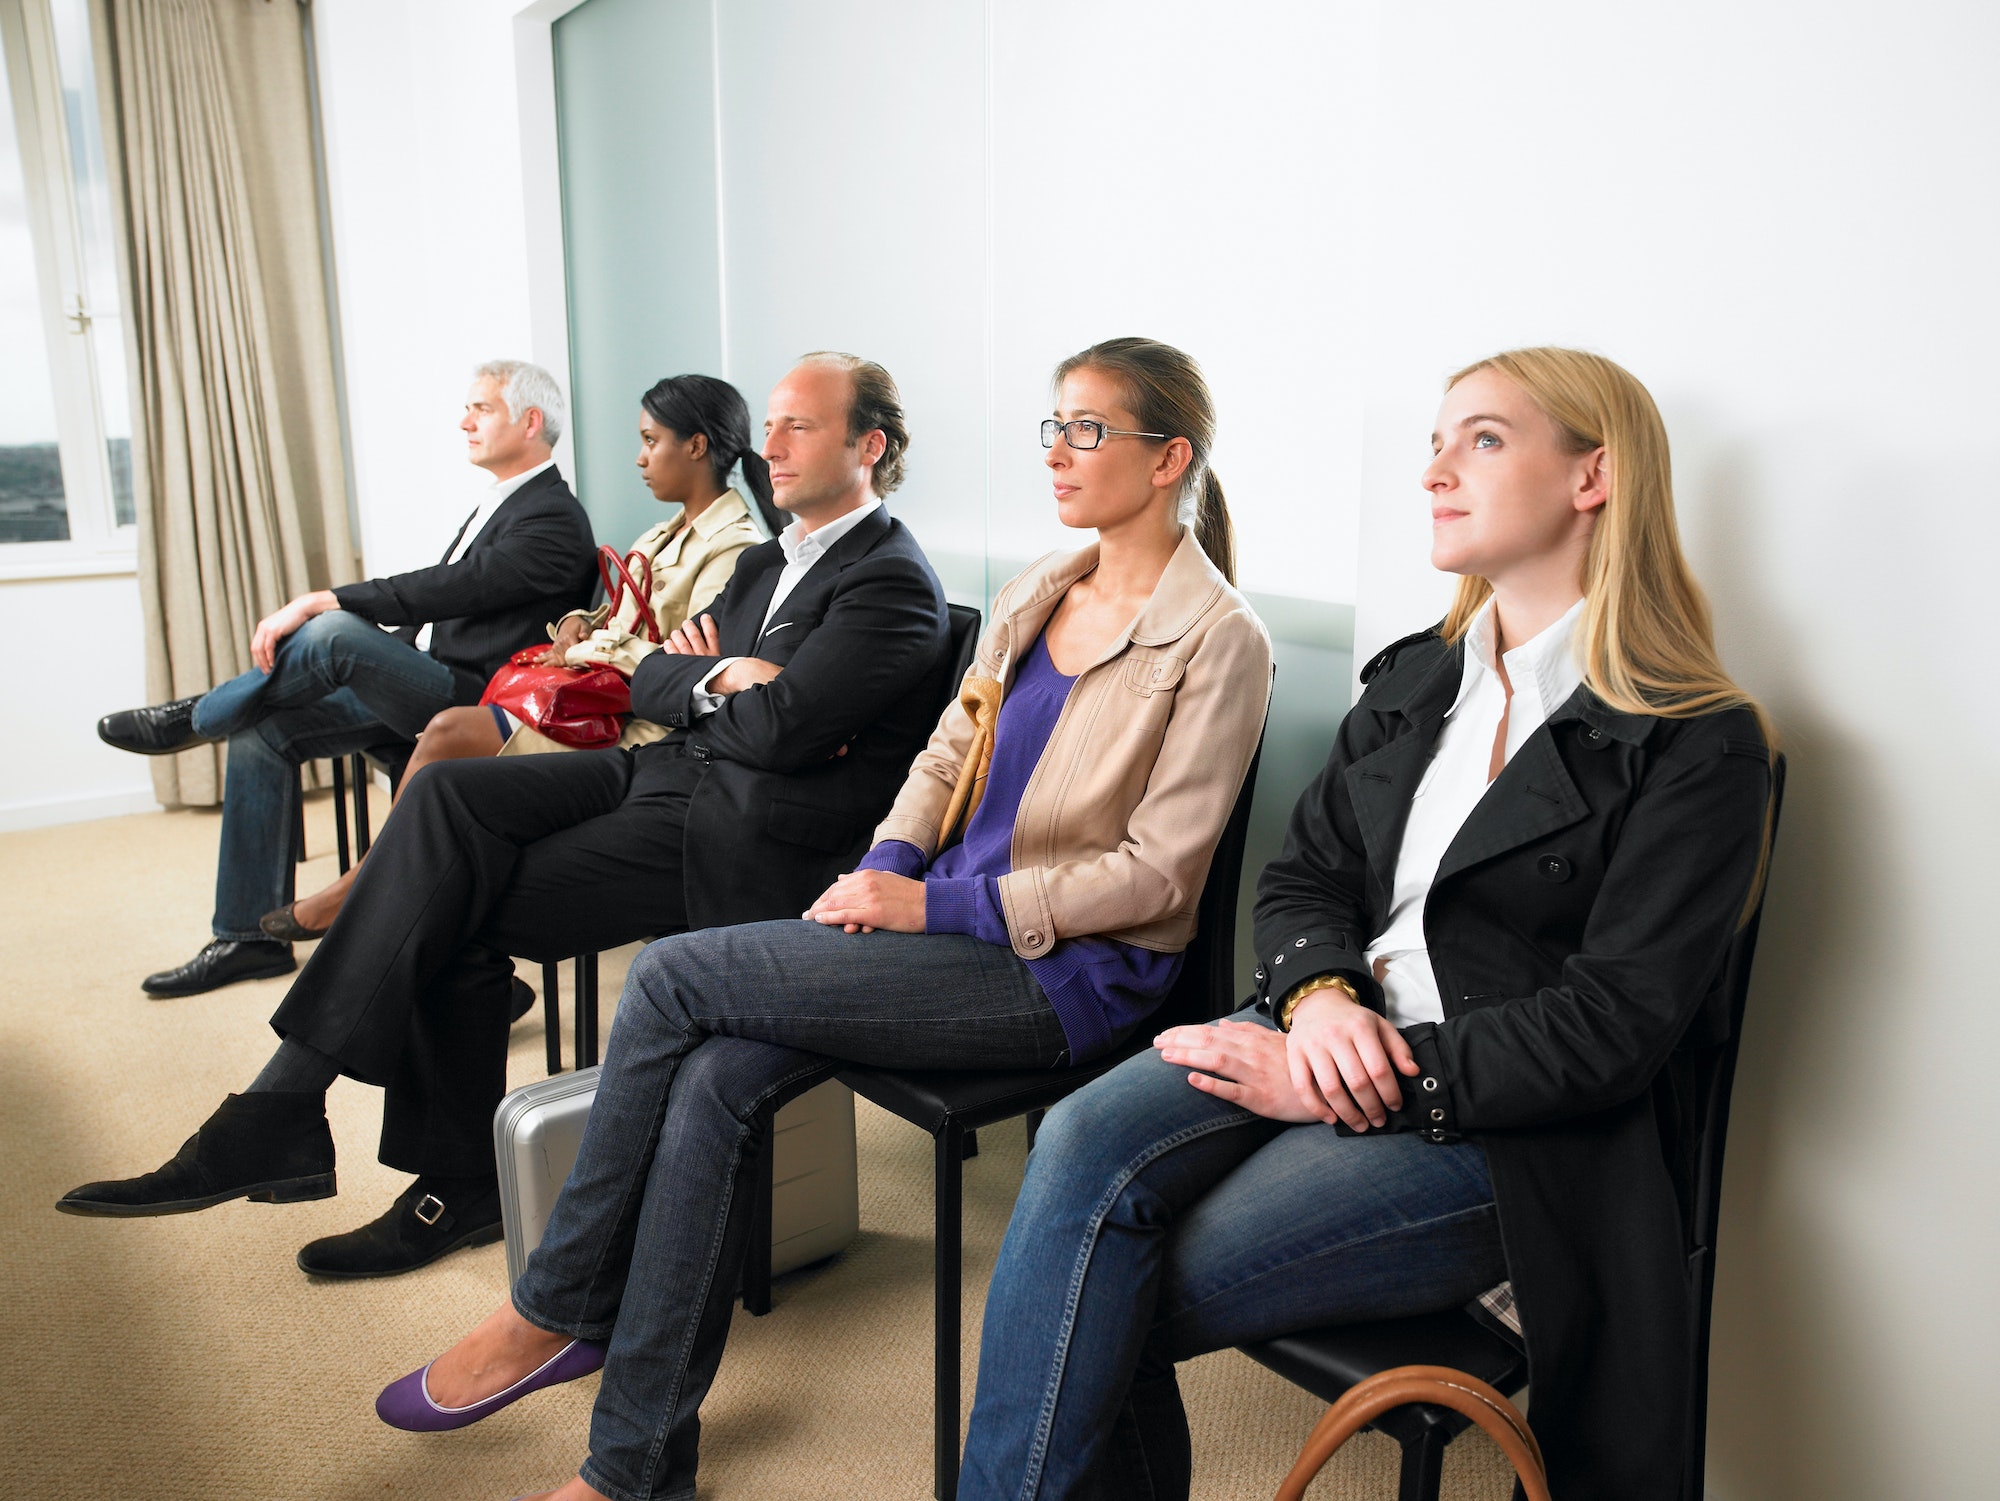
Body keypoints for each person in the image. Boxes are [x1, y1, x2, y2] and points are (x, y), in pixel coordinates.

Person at [356, 337, 1272, 1501]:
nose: (1056, 450)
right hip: (936, 924)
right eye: (1051, 425)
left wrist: (930, 899)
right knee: (714, 1074)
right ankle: (631, 1467)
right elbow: (945, 758)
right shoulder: (1043, 588)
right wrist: (887, 863)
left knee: (673, 981)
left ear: (1166, 458)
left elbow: (1157, 879)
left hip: (1061, 976)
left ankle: (557, 1303)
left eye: (1086, 429)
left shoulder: (1218, 637)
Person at [951, 348, 1778, 1501]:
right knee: (1073, 1148)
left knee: (1088, 1283)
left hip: (1502, 1130)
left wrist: (1348, 1076)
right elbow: (1301, 882)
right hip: (1314, 1024)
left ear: (1592, 477)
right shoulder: (1414, 678)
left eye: (1481, 439)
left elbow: (1608, 1028)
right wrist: (1320, 998)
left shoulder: (1697, 742)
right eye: (1435, 442)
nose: (1435, 469)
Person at [57, 353, 954, 1283]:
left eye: (797, 426)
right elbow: (649, 667)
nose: (768, 445)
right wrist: (718, 677)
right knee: (444, 798)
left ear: (869, 445)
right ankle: (290, 1110)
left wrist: (704, 675)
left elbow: (779, 731)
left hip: (740, 830)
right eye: (767, 423)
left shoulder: (888, 582)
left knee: (450, 897)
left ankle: (354, 1144)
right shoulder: (771, 560)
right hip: (661, 768)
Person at [97, 359, 597, 997]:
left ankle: (198, 718)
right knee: (266, 730)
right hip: (435, 679)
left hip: (476, 707)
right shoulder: (506, 503)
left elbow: (455, 588)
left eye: (482, 409)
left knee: (333, 631)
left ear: (530, 422)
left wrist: (324, 598)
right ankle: (246, 942)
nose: (464, 421)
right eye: (467, 408)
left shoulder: (552, 515)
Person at [266, 372, 782, 939]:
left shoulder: (734, 548)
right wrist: (574, 629)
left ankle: (360, 893)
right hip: (592, 701)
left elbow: (682, 667)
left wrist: (596, 643)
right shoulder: (659, 534)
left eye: (651, 441)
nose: (639, 458)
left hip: (636, 729)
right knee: (444, 751)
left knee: (444, 735)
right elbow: (623, 622)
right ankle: (401, 912)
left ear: (697, 445)